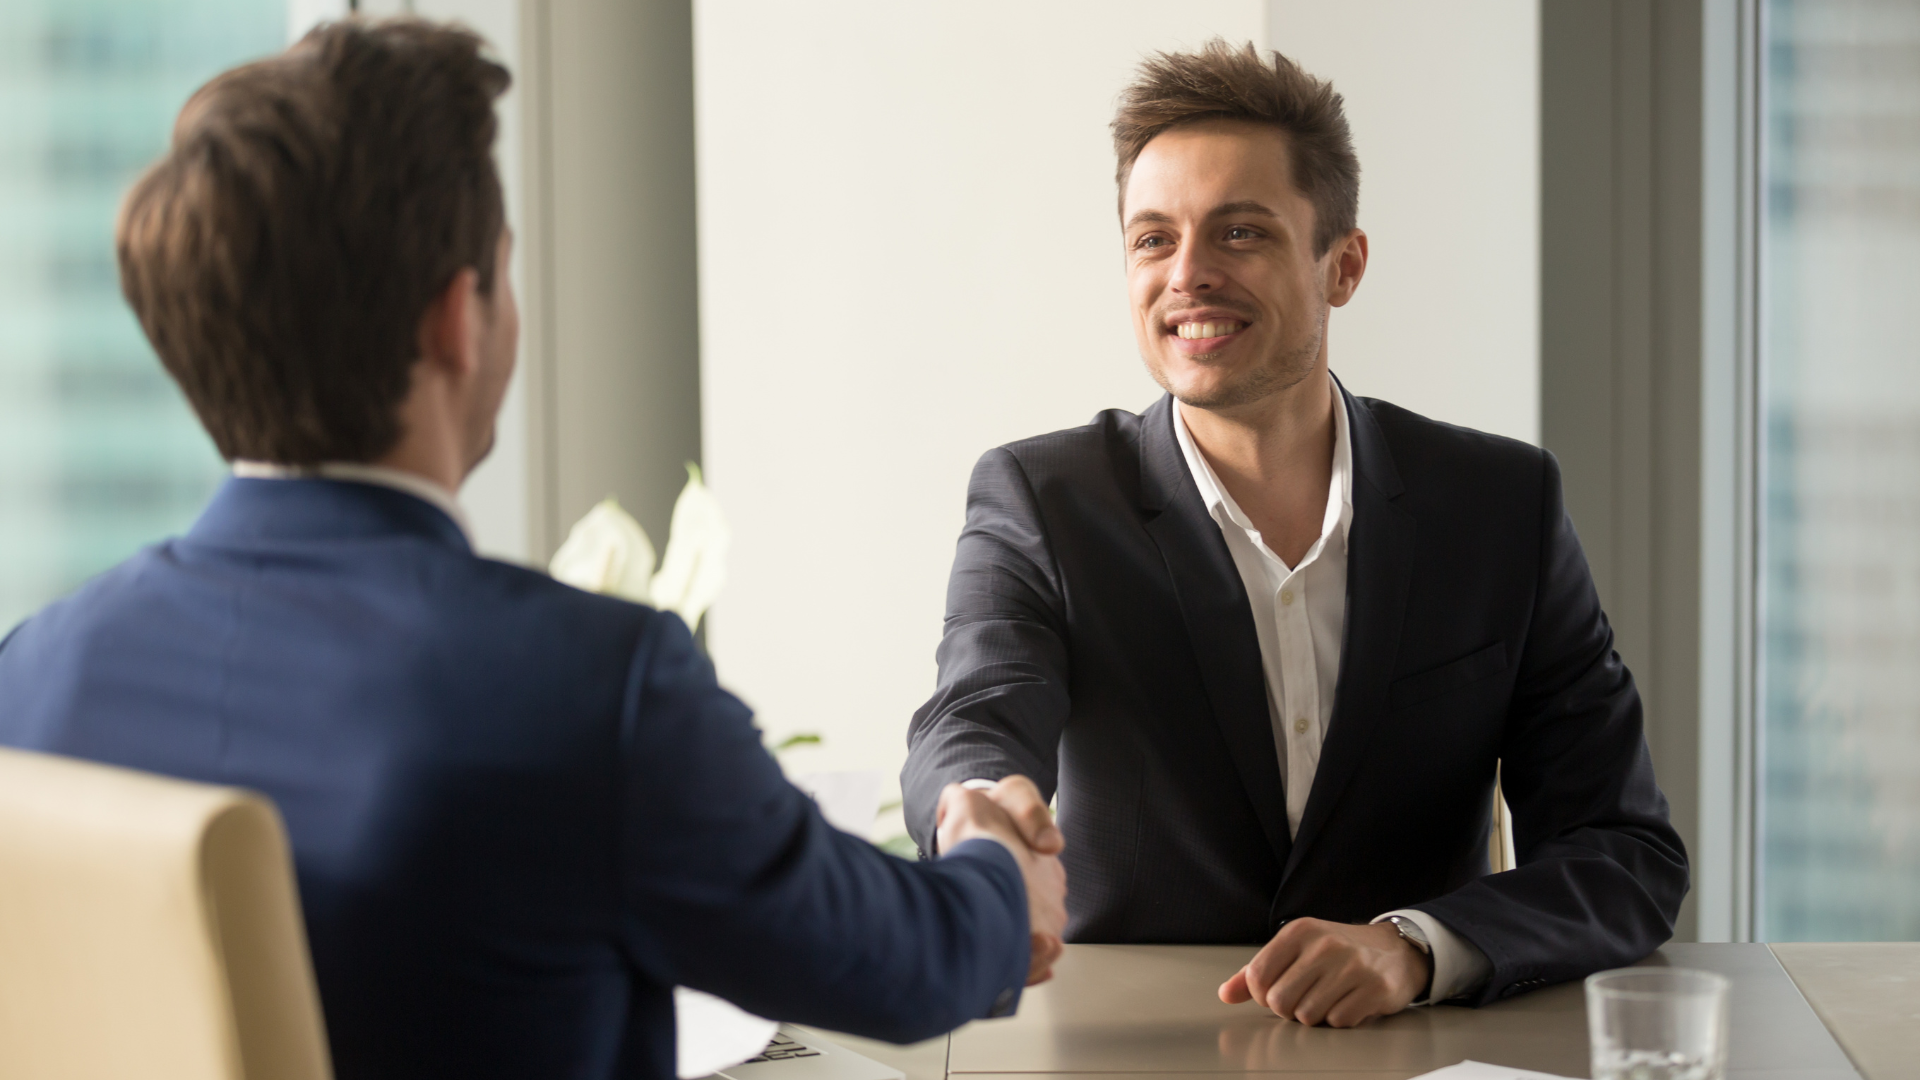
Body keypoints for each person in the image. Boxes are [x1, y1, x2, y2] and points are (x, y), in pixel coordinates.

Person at [0, 19, 1066, 1080]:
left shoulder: (36, 676)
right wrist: (996, 868)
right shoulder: (585, 688)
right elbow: (903, 964)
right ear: (460, 319)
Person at [901, 41, 1688, 1028]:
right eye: (1153, 239)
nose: (1187, 276)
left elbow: (1623, 852)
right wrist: (976, 810)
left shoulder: (1499, 505)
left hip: (1415, 1051)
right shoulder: (1042, 497)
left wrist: (1416, 947)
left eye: (1239, 233)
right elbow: (978, 704)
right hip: (1138, 1054)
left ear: (1343, 265)